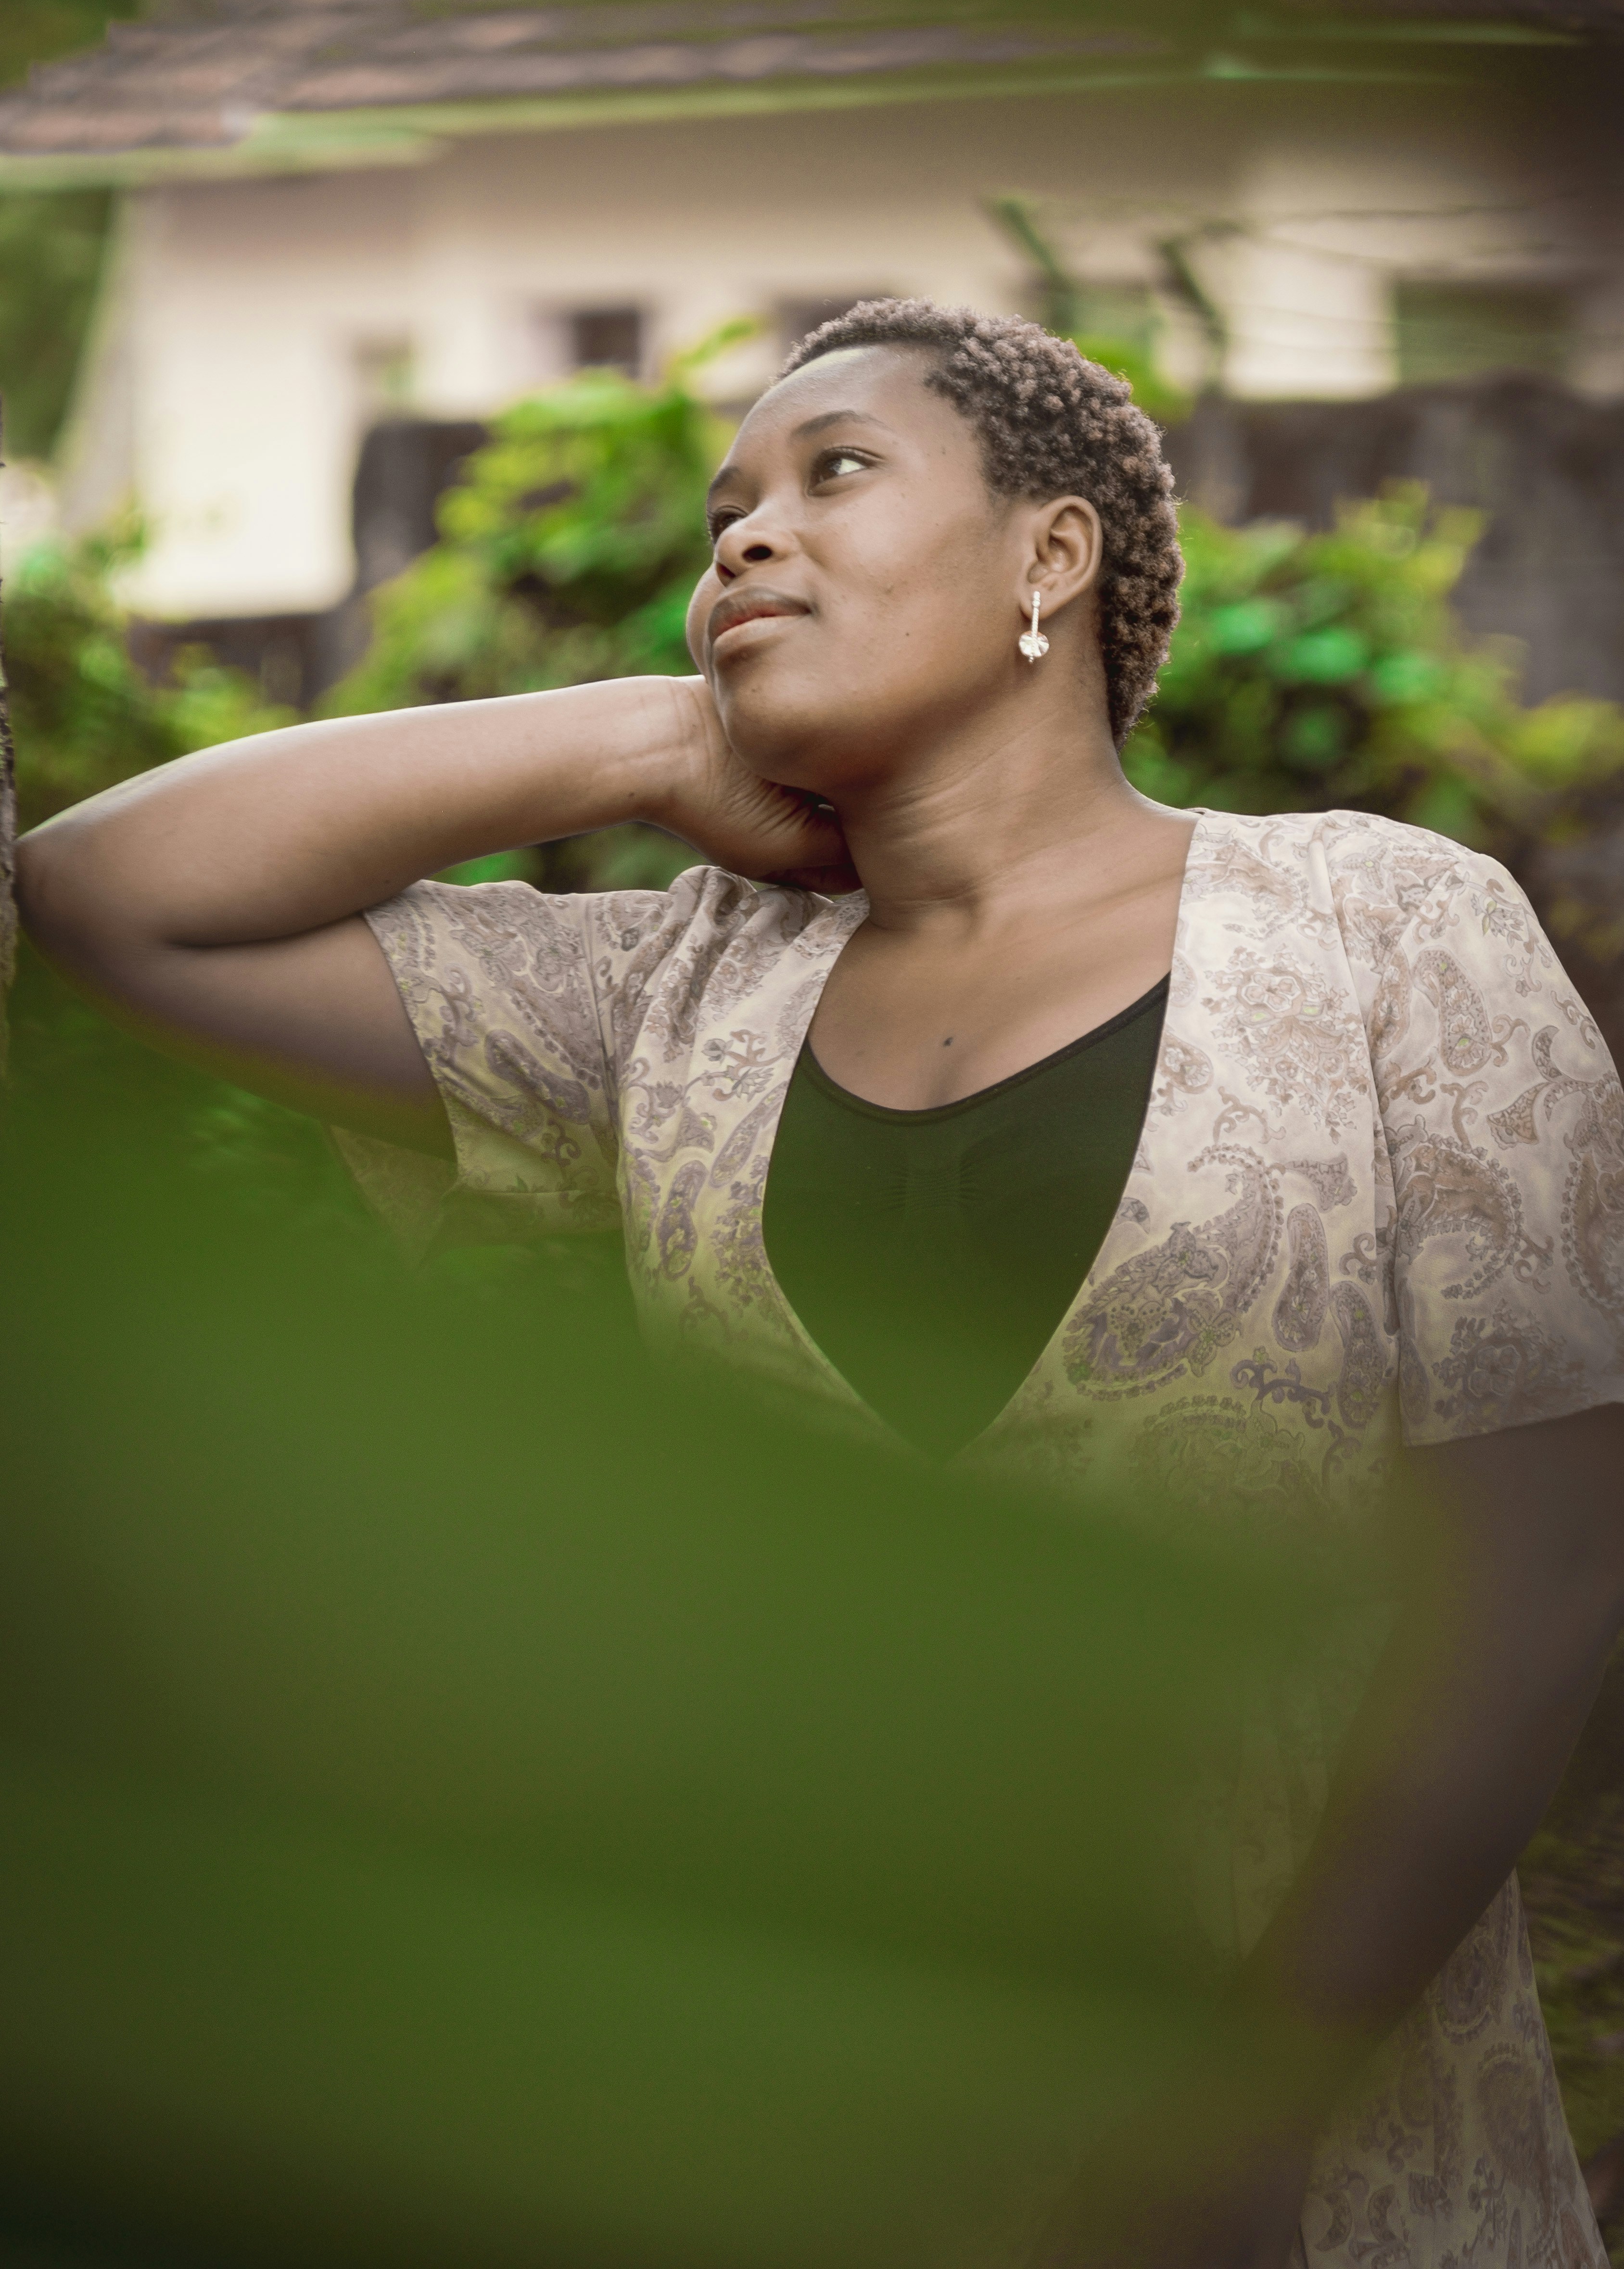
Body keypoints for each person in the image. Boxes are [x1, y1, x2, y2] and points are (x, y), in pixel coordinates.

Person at [18, 297, 1624, 2269]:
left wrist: (1242, 2111)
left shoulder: (1385, 926)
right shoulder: (667, 993)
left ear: (1052, 554)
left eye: (834, 472)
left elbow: (1541, 1572)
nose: (749, 538)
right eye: (725, 520)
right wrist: (658, 735)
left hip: (1328, 2147)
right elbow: (108, 894)